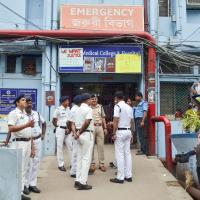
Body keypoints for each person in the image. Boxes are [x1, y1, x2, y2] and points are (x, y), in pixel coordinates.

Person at [8, 95, 35, 200]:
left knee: (24, 168)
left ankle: (20, 192)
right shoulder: (13, 113)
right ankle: (16, 193)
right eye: (22, 100)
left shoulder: (26, 114)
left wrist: (32, 147)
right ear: (17, 103)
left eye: (25, 100)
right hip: (19, 144)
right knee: (19, 169)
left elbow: (30, 132)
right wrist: (27, 125)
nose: (25, 102)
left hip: (27, 142)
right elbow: (11, 128)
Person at [71, 93, 94, 190]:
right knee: (86, 159)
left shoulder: (77, 109)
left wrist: (75, 133)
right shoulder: (88, 109)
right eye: (90, 99)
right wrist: (79, 132)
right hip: (86, 134)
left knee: (80, 158)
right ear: (87, 100)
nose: (91, 101)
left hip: (79, 135)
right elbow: (87, 122)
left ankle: (77, 180)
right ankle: (82, 182)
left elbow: (72, 123)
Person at [110, 91, 133, 184]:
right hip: (128, 131)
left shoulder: (117, 106)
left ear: (116, 98)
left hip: (120, 131)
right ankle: (129, 176)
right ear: (123, 98)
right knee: (127, 154)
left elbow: (115, 120)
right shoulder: (129, 107)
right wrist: (131, 134)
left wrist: (113, 133)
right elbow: (131, 121)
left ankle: (120, 177)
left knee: (119, 154)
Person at [24, 98, 46, 194]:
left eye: (30, 103)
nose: (29, 105)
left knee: (36, 162)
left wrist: (43, 134)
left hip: (37, 140)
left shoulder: (36, 113)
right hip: (28, 141)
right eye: (27, 103)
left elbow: (44, 123)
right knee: (28, 163)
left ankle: (33, 184)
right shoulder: (22, 115)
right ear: (24, 105)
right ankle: (25, 185)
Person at [52, 96, 72, 172]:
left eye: (68, 101)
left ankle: (72, 163)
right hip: (60, 130)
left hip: (68, 130)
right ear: (62, 102)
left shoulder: (69, 109)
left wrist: (69, 129)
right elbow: (54, 120)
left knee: (70, 146)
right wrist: (58, 127)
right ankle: (61, 164)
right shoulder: (58, 110)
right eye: (66, 101)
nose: (68, 102)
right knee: (59, 147)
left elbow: (70, 119)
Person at [89, 94, 107, 173]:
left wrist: (105, 128)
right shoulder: (88, 108)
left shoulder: (100, 107)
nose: (94, 100)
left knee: (101, 146)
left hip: (100, 127)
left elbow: (103, 118)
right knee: (91, 146)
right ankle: (92, 164)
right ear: (90, 100)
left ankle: (101, 164)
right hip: (91, 128)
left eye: (95, 99)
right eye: (92, 99)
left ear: (97, 100)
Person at [69, 95, 82, 178]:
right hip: (76, 131)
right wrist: (74, 132)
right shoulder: (75, 109)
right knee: (76, 152)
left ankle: (75, 170)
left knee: (76, 152)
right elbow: (71, 122)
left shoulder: (75, 108)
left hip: (76, 131)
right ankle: (74, 171)